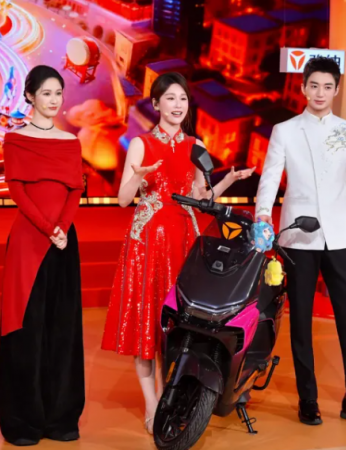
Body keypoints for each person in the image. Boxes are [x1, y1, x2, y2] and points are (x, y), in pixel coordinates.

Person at [100, 72, 255, 433]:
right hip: (148, 241)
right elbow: (123, 199)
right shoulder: (141, 144)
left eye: (182, 98)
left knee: (178, 322)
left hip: (185, 239)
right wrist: (138, 175)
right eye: (170, 98)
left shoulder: (195, 145)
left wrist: (227, 180)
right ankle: (152, 404)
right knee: (147, 322)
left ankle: (174, 395)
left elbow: (201, 197)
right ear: (156, 104)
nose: (177, 105)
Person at [255, 56, 346, 427]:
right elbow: (271, 177)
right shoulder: (285, 130)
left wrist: (330, 212)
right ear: (303, 88)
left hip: (338, 234)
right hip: (298, 235)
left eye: (327, 86)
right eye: (314, 86)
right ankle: (307, 398)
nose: (321, 93)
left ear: (336, 90)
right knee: (301, 319)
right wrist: (263, 214)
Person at [0, 65, 85, 445]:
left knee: (63, 329)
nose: (54, 100)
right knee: (27, 329)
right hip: (30, 241)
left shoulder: (70, 141)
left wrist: (61, 228)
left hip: (64, 241)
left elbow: (75, 189)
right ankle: (24, 420)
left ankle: (61, 417)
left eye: (58, 93)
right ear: (30, 96)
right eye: (46, 93)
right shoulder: (16, 140)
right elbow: (17, 190)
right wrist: (49, 228)